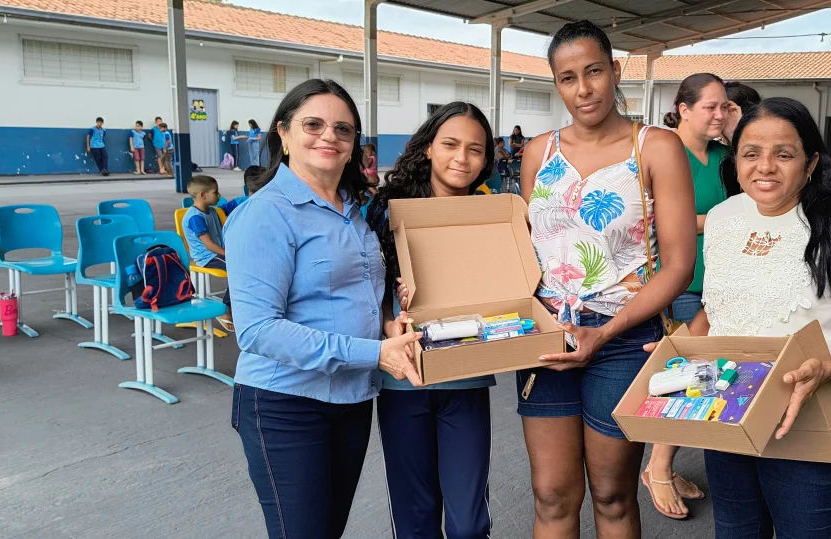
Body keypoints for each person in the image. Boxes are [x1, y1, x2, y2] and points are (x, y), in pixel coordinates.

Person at [686, 96, 831, 538]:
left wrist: (828, 369)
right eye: (751, 153)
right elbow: (720, 314)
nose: (765, 167)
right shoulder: (721, 218)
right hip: (729, 417)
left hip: (814, 430)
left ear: (811, 162)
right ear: (736, 161)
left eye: (784, 154)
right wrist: (678, 352)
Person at [518, 20, 696, 538]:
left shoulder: (655, 147)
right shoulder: (538, 152)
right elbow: (526, 254)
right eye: (568, 78)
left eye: (594, 71)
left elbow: (679, 265)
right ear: (557, 84)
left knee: (612, 494)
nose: (584, 89)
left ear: (615, 71)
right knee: (551, 494)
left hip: (623, 338)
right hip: (548, 337)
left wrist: (606, 331)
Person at [225, 79, 421, 539]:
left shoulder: (353, 210)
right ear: (283, 133)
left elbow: (358, 294)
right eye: (312, 124)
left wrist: (389, 322)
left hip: (351, 400)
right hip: (286, 405)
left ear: (354, 145)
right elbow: (257, 330)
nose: (329, 136)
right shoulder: (266, 213)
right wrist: (375, 354)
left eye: (343, 129)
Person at [369, 101, 496, 539]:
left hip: (466, 378)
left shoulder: (490, 214)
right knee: (415, 518)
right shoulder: (388, 209)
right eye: (450, 144)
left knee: (469, 523)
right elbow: (369, 289)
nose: (462, 158)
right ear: (427, 148)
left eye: (475, 149)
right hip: (403, 380)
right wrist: (389, 320)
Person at [644, 72, 729, 520]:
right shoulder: (664, 151)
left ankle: (663, 464)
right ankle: (658, 467)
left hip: (723, 281)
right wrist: (720, 219)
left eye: (725, 106)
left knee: (706, 376)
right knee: (690, 377)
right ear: (684, 108)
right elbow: (657, 220)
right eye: (711, 106)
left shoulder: (723, 155)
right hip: (681, 283)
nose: (720, 115)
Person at [182, 175, 242, 331]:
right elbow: (209, 245)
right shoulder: (195, 217)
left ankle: (238, 305)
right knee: (239, 269)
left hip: (217, 253)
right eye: (215, 192)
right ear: (203, 195)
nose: (219, 195)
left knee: (247, 263)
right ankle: (225, 309)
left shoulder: (213, 211)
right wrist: (231, 254)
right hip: (207, 257)